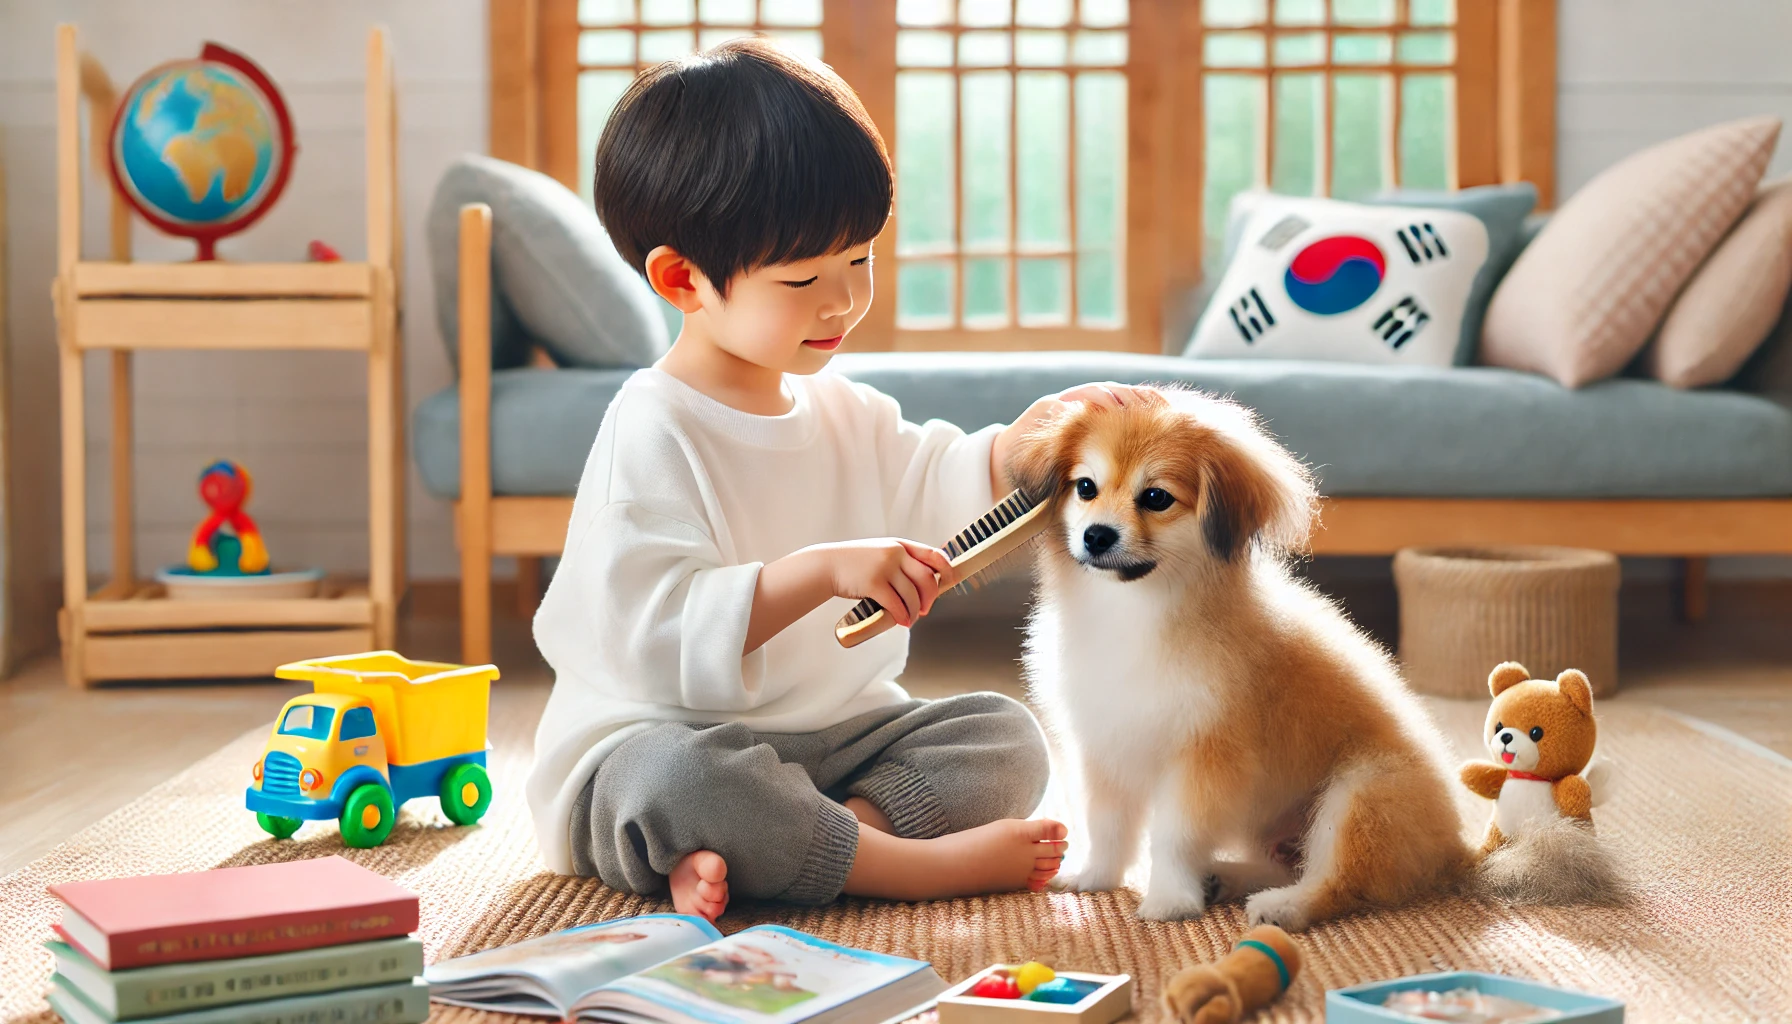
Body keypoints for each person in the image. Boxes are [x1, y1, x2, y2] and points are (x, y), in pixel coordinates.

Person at [524, 37, 1155, 921]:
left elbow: (942, 480)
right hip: (668, 739)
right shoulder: (653, 425)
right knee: (675, 780)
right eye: (802, 278)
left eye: (858, 260)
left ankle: (824, 842)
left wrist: (1022, 441)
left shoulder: (841, 408)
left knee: (1002, 736)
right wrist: (822, 572)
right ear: (683, 279)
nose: (842, 301)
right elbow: (654, 633)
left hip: (832, 738)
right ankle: (898, 867)